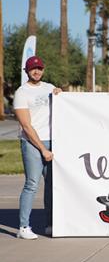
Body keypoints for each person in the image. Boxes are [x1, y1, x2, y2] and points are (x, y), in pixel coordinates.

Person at [13, 56, 62, 239]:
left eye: (39, 68)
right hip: (32, 143)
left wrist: (60, 93)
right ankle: (23, 227)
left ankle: (50, 224)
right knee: (32, 184)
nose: (37, 71)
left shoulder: (50, 88)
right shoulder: (22, 92)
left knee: (51, 185)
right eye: (33, 69)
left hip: (52, 141)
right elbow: (26, 125)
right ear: (27, 71)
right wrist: (42, 148)